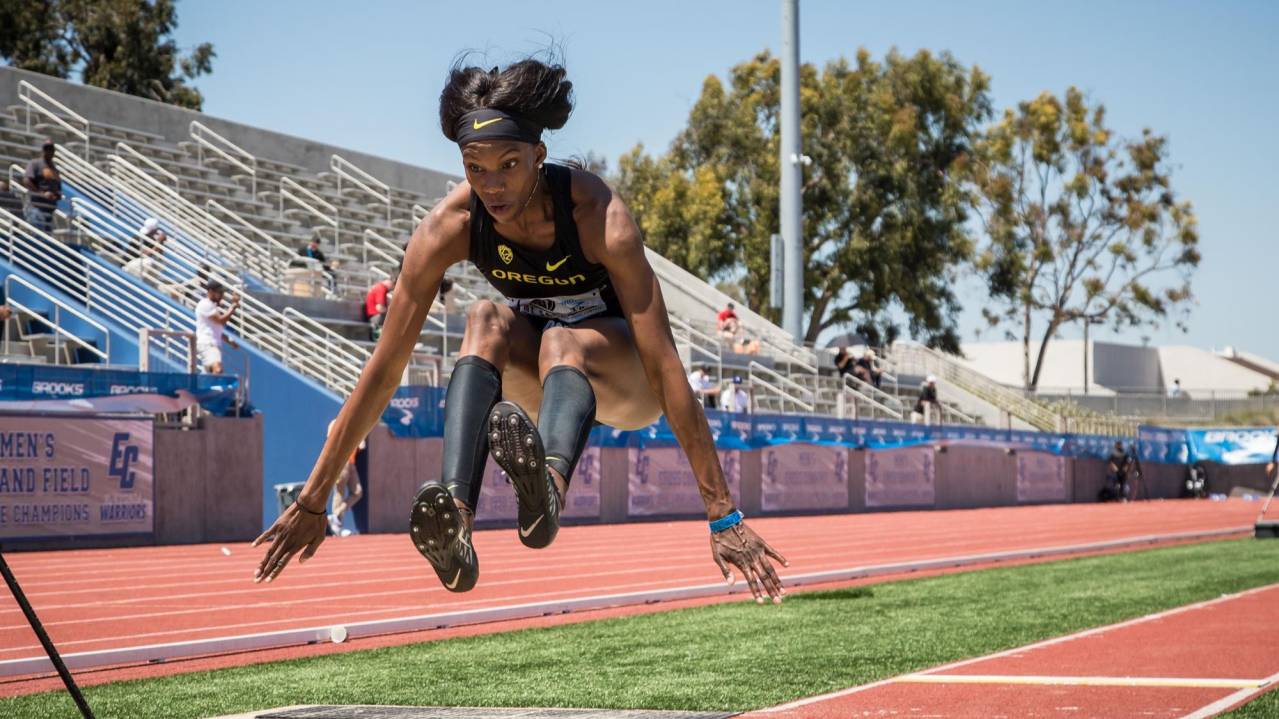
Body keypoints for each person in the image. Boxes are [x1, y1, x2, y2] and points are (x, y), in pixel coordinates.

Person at [253, 56, 787, 604]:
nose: (493, 185)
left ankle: (548, 492)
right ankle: (456, 518)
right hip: (543, 384)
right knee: (484, 317)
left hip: (626, 384)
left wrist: (723, 514)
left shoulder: (597, 214)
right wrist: (313, 499)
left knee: (562, 338)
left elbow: (666, 365)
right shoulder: (450, 226)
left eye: (509, 164)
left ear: (539, 155)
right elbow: (385, 367)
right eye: (475, 168)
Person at [325, 419, 366, 537]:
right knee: (339, 492)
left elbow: (362, 445)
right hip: (339, 461)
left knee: (358, 492)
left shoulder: (358, 424)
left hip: (351, 462)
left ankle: (335, 516)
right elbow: (330, 441)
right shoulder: (335, 423)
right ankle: (337, 527)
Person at [195, 279, 241, 374]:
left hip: (210, 343)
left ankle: (206, 388)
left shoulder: (211, 305)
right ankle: (216, 388)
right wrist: (233, 307)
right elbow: (220, 321)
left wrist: (229, 341)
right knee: (217, 369)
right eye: (219, 292)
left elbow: (216, 329)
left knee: (208, 374)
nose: (222, 295)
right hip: (208, 344)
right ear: (211, 291)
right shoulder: (205, 304)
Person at [23, 139, 61, 233]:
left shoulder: (54, 168)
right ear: (43, 150)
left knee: (46, 240)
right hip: (37, 207)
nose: (48, 151)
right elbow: (27, 180)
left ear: (53, 151)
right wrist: (41, 193)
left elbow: (57, 186)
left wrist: (56, 194)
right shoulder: (35, 163)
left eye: (50, 149)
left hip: (49, 210)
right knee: (38, 237)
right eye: (46, 149)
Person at [364, 275, 394, 340]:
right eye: (393, 284)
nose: (393, 287)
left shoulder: (378, 287)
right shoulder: (381, 288)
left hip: (372, 316)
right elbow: (380, 308)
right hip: (376, 317)